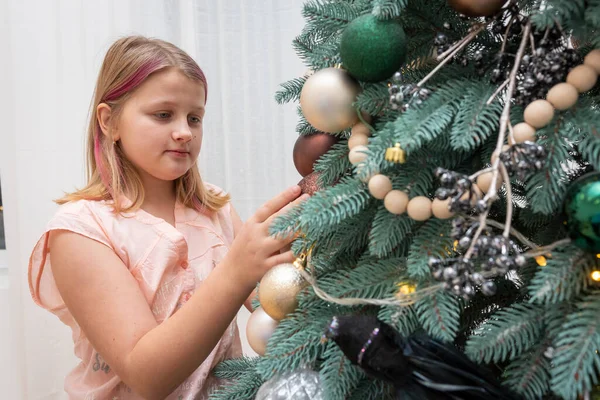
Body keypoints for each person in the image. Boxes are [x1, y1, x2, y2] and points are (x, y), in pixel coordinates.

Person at [28, 36, 307, 400]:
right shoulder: (80, 230)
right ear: (109, 122)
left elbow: (274, 303)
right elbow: (147, 375)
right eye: (163, 115)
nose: (184, 132)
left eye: (195, 118)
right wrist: (238, 270)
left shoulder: (216, 209)